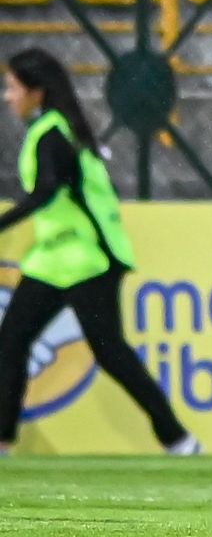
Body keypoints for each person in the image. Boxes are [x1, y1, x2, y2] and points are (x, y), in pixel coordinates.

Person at [0, 49, 201, 458]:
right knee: (13, 344)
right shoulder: (55, 130)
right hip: (56, 259)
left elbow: (45, 192)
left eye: (13, 87)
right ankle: (3, 440)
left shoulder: (53, 134)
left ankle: (178, 438)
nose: (8, 96)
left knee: (109, 352)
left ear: (36, 93)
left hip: (87, 259)